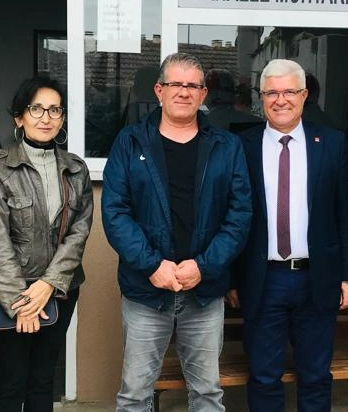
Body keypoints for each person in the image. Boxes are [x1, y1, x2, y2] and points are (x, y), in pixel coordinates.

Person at [102, 52, 252, 412]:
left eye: (193, 86)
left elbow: (239, 215)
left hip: (204, 292)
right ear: (159, 90)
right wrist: (153, 265)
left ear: (203, 94)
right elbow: (115, 212)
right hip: (146, 290)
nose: (184, 92)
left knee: (208, 394)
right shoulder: (130, 141)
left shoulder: (226, 146)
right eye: (175, 84)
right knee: (135, 395)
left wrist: (204, 266)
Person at [227, 59, 348, 412]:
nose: (280, 100)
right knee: (264, 376)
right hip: (262, 279)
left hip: (317, 278)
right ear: (261, 98)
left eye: (289, 91)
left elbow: (344, 213)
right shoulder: (241, 145)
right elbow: (229, 215)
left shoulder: (330, 142)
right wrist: (231, 278)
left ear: (304, 95)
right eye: (271, 92)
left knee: (315, 375)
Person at [0, 76, 93, 412]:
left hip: (60, 290)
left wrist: (48, 284)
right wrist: (21, 301)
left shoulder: (76, 169)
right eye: (37, 109)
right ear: (19, 117)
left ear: (62, 117)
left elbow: (79, 232)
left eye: (54, 110)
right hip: (11, 290)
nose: (46, 117)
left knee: (43, 380)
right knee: (10, 382)